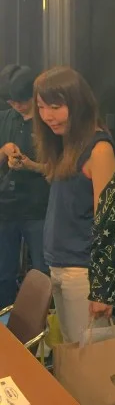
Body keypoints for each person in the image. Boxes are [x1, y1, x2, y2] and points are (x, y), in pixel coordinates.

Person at [33, 66, 115, 343]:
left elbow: (109, 224)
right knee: (71, 349)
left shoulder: (99, 149)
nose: (47, 116)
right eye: (41, 107)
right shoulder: (66, 144)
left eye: (55, 107)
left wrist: (103, 288)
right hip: (59, 264)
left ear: (78, 103)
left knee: (91, 356)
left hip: (83, 271)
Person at [0, 65, 50, 308]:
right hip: (5, 207)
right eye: (12, 102)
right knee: (3, 273)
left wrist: (31, 165)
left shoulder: (48, 122)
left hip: (39, 208)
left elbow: (60, 169)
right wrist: (4, 151)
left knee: (42, 272)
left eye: (22, 101)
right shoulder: (4, 118)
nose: (17, 106)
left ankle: (42, 323)